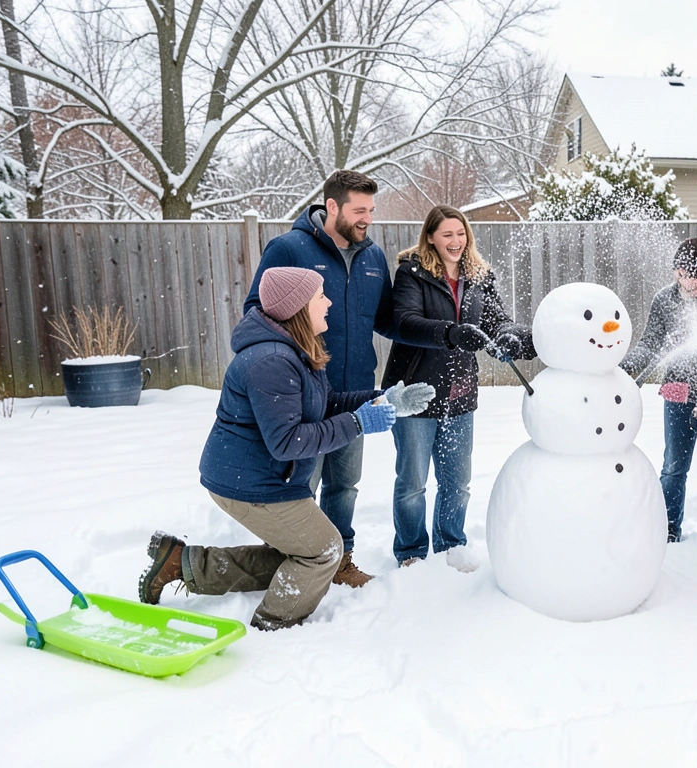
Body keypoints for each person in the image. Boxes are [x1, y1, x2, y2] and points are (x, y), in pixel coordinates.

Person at [138, 268, 434, 630]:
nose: (327, 303)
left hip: (266, 477)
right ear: (297, 307)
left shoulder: (297, 350)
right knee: (324, 550)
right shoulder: (271, 361)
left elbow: (324, 404)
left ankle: (182, 563)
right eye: (320, 297)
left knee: (300, 551)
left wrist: (382, 399)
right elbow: (287, 442)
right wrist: (358, 423)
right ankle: (272, 625)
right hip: (248, 482)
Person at [243, 170, 394, 587]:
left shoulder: (374, 258)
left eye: (371, 210)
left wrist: (443, 332)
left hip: (355, 394)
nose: (367, 219)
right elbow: (257, 311)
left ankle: (340, 560)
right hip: (304, 394)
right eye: (359, 210)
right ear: (332, 206)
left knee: (345, 485)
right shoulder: (289, 248)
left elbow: (387, 320)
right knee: (298, 487)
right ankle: (290, 562)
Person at [381, 205, 536, 569]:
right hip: (416, 391)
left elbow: (499, 320)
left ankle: (452, 545)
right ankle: (411, 552)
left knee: (457, 482)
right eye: (447, 234)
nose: (455, 241)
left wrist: (511, 338)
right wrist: (450, 333)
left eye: (461, 233)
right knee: (412, 482)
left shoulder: (479, 275)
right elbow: (404, 322)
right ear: (431, 237)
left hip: (459, 394)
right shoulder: (412, 274)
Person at [619, 238, 697, 542]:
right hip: (680, 392)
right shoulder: (665, 299)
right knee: (674, 466)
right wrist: (627, 366)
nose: (689, 284)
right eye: (682, 276)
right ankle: (668, 531)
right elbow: (650, 342)